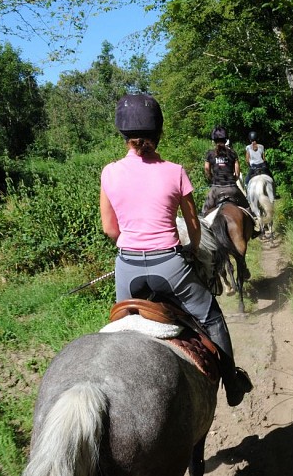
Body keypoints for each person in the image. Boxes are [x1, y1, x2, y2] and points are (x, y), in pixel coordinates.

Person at [100, 94, 252, 406]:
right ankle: (232, 384)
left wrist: (131, 245)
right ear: (159, 134)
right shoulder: (175, 171)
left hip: (127, 269)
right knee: (212, 318)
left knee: (117, 329)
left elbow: (110, 229)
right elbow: (194, 226)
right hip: (169, 266)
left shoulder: (110, 172)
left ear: (124, 136)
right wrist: (193, 249)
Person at [201, 126, 250, 215]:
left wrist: (212, 178)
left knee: (204, 212)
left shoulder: (210, 154)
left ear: (214, 140)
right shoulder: (232, 153)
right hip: (232, 189)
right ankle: (256, 226)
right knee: (247, 208)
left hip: (216, 189)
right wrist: (233, 180)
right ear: (225, 139)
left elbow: (207, 169)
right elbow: (237, 172)